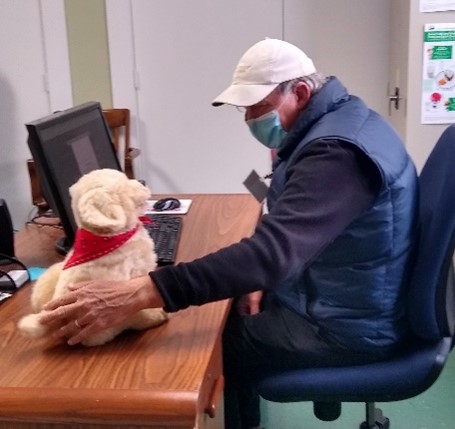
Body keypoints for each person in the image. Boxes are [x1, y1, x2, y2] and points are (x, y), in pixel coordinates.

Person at [39, 38, 418, 429]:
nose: (249, 118)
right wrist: (261, 277)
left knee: (198, 350)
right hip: (337, 296)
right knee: (214, 305)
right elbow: (292, 227)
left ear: (301, 92)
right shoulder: (340, 120)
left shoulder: (337, 153)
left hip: (344, 329)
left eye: (257, 106)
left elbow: (273, 253)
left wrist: (143, 292)